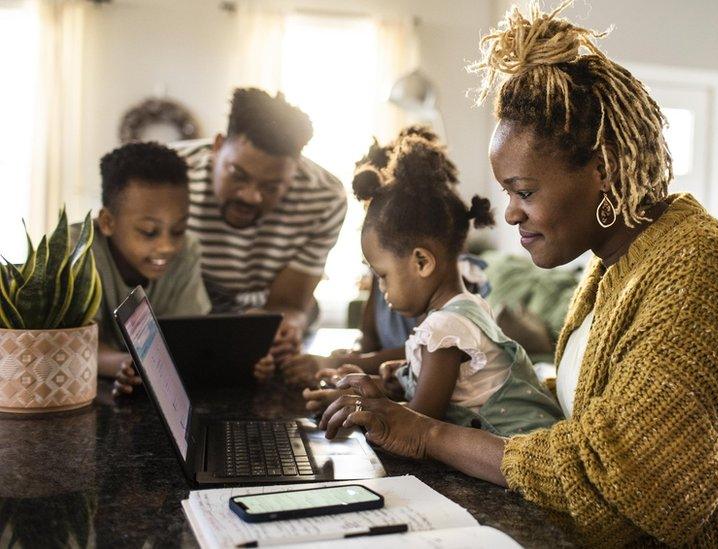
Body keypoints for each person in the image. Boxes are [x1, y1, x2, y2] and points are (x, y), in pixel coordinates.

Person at [315, 2, 718, 546]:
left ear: (604, 170)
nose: (510, 214)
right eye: (508, 193)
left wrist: (427, 433)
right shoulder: (613, 265)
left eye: (524, 191)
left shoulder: (700, 267)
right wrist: (432, 384)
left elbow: (637, 478)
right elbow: (592, 407)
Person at [304, 131, 562, 437]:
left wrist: (358, 404)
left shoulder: (445, 328)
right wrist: (396, 377)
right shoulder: (464, 310)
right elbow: (456, 390)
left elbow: (418, 423)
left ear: (422, 262)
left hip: (519, 457)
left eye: (383, 276)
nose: (381, 289)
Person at [280, 128, 491, 386]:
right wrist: (350, 362)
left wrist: (343, 365)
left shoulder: (452, 289)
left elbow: (431, 358)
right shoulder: (388, 270)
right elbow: (370, 340)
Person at [81, 142, 275, 397]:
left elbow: (189, 343)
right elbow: (73, 345)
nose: (167, 247)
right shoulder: (78, 253)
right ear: (107, 222)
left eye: (179, 230)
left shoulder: (188, 251)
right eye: (149, 232)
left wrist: (245, 360)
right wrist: (126, 364)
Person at [174, 88, 347, 367]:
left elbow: (290, 303)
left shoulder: (325, 196)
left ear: (295, 170)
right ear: (218, 146)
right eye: (238, 175)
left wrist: (282, 329)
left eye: (271, 187)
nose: (251, 196)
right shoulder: (171, 175)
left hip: (264, 311)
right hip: (184, 308)